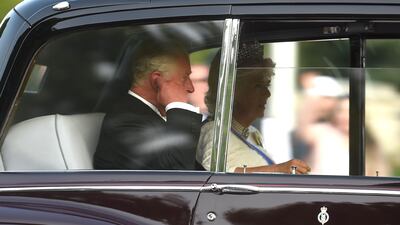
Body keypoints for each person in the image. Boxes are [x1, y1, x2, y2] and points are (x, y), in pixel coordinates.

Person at [197, 41, 311, 174]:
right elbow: (218, 176)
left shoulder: (251, 133)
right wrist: (279, 169)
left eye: (267, 85)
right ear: (233, 91)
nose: (267, 94)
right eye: (258, 86)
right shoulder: (214, 131)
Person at [94, 38, 203, 170]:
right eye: (185, 77)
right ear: (157, 81)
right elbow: (178, 173)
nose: (191, 88)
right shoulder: (125, 123)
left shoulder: (149, 116)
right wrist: (177, 105)